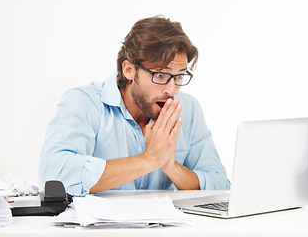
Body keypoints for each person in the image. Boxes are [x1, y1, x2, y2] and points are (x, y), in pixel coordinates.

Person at [39, 16, 230, 196]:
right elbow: (54, 176)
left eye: (179, 76)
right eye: (161, 75)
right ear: (129, 70)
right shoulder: (83, 102)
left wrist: (171, 167)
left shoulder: (188, 109)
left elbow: (220, 185)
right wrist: (149, 160)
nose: (171, 90)